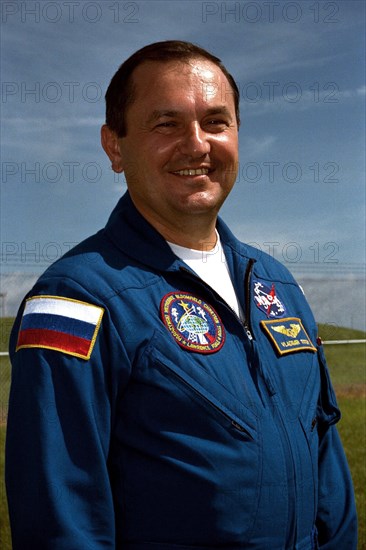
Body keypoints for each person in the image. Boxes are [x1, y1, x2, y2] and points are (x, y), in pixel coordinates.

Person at [6, 40, 357, 549]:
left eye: (217, 122)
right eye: (166, 124)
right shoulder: (75, 300)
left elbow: (326, 465)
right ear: (114, 146)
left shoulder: (278, 286)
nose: (197, 145)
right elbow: (62, 524)